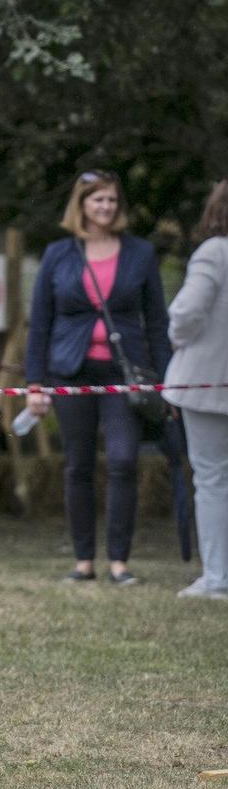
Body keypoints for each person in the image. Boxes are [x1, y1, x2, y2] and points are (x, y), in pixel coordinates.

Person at [24, 170, 171, 586]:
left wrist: (165, 380)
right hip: (69, 369)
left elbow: (157, 322)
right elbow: (40, 324)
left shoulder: (140, 254)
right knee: (78, 465)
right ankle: (84, 561)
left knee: (124, 460)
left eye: (111, 200)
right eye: (97, 200)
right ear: (81, 205)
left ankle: (119, 562)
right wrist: (36, 384)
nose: (105, 207)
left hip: (125, 371)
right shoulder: (58, 254)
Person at [167, 181, 228, 599]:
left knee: (211, 479)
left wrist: (178, 338)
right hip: (210, 384)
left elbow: (186, 313)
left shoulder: (215, 252)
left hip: (208, 383)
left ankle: (217, 578)